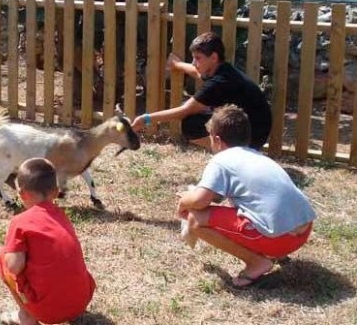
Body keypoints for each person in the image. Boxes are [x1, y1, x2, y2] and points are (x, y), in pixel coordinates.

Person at [176, 105, 316, 288]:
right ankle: (276, 254)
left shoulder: (221, 160)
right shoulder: (258, 157)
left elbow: (199, 201)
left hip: (280, 240)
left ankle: (257, 262)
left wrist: (183, 201)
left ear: (216, 140)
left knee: (196, 219)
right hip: (303, 232)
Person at [0, 158, 96, 325]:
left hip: (48, 313)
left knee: (3, 259)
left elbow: (13, 266)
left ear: (21, 194)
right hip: (81, 301)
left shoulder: (20, 222)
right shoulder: (61, 216)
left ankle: (26, 317)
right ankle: (68, 308)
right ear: (56, 192)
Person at [132, 31, 272, 150]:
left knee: (190, 125)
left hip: (253, 136)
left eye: (198, 58)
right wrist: (178, 65)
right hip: (254, 127)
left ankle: (229, 152)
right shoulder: (223, 70)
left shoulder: (218, 83)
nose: (194, 63)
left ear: (214, 57)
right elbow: (197, 72)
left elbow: (183, 111)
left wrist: (146, 119)